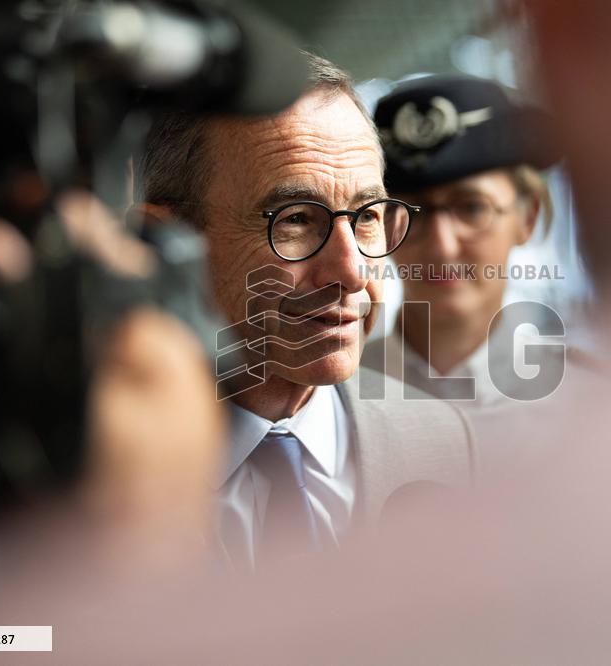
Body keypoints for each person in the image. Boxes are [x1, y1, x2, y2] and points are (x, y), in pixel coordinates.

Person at [134, 54, 476, 568]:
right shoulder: (74, 475)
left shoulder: (442, 441)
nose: (353, 272)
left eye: (367, 217)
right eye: (294, 219)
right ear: (160, 241)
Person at [362, 75, 596, 474]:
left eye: (472, 208)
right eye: (410, 214)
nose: (442, 246)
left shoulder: (591, 406)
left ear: (528, 217)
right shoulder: (329, 403)